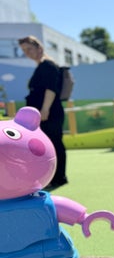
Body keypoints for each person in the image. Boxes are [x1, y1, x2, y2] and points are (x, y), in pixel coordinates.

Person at [18, 35, 68, 188]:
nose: (27, 53)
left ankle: (59, 177)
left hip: (49, 113)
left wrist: (45, 109)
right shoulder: (41, 66)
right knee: (47, 144)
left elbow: (50, 88)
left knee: (54, 143)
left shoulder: (48, 65)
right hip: (42, 113)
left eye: (29, 49)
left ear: (39, 48)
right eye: (24, 50)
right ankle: (51, 176)